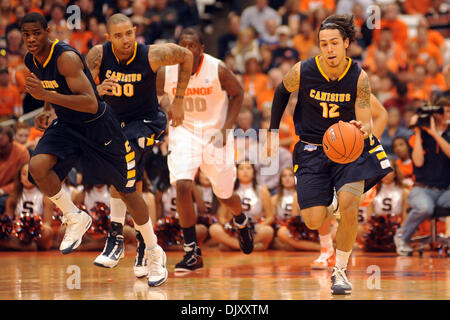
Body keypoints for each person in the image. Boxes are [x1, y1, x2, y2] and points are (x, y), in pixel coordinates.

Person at [20, 12, 166, 287]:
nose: (31, 39)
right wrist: (47, 111)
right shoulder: (31, 60)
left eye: (36, 33)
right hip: (67, 125)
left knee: (126, 190)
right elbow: (52, 90)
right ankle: (74, 217)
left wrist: (46, 96)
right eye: (26, 35)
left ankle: (154, 250)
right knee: (37, 167)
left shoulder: (66, 57)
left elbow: (90, 102)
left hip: (98, 126)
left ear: (47, 31)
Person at [268, 15, 393, 295]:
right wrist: (272, 131)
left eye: (334, 42)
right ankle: (333, 204)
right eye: (324, 44)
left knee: (351, 206)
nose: (329, 48)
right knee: (312, 219)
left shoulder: (359, 78)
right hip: (311, 148)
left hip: (347, 149)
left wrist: (363, 129)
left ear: (346, 43)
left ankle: (340, 270)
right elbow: (280, 92)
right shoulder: (304, 70)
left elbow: (368, 119)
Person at [85, 13, 193, 282]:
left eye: (129, 33)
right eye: (119, 36)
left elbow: (186, 55)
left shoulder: (153, 54)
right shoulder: (98, 55)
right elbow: (82, 88)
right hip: (115, 123)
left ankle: (116, 235)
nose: (125, 40)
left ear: (135, 31)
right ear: (109, 38)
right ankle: (147, 246)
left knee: (121, 162)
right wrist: (97, 90)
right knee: (130, 183)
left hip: (146, 122)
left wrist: (178, 100)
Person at [157, 27, 254, 272]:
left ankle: (240, 220)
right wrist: (168, 105)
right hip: (183, 131)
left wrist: (227, 128)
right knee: (182, 184)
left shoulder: (217, 68)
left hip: (215, 133)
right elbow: (159, 94)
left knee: (224, 195)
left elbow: (238, 93)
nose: (187, 50)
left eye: (192, 46)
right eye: (182, 45)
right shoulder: (166, 70)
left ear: (201, 49)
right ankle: (192, 252)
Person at [310, 93, 389, 270]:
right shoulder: (316, 86)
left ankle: (339, 258)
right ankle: (327, 251)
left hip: (353, 159)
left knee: (346, 208)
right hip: (327, 154)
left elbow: (382, 114)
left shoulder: (355, 85)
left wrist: (368, 147)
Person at [394, 99, 450, 256]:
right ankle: (401, 237)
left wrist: (435, 134)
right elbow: (418, 161)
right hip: (422, 188)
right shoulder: (419, 136)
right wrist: (419, 132)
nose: (445, 115)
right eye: (442, 111)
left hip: (446, 190)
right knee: (425, 208)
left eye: (448, 111)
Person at [209, 161, 275, 251]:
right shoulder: (229, 190)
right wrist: (228, 226)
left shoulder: (262, 191)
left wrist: (261, 225)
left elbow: (270, 216)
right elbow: (222, 217)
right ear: (236, 172)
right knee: (214, 229)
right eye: (241, 168)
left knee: (268, 231)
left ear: (253, 172)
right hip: (235, 229)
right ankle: (246, 247)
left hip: (255, 229)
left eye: (248, 168)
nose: (245, 171)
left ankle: (233, 246)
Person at [0, 163, 54, 251]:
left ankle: (20, 246)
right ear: (20, 177)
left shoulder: (45, 197)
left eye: (31, 174)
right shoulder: (12, 198)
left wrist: (38, 230)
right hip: (17, 233)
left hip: (38, 233)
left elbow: (47, 224)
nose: (27, 177)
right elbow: (8, 222)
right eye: (24, 174)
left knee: (47, 233)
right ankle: (29, 247)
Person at [273, 167, 321, 251]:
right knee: (281, 234)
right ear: (280, 180)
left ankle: (300, 246)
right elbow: (273, 220)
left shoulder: (304, 193)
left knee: (335, 231)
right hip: (288, 230)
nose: (287, 178)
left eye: (291, 175)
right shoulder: (274, 199)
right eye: (284, 176)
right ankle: (319, 247)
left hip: (307, 227)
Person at [0, 126, 30, 214]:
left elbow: (22, 180)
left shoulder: (22, 152)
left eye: (3, 147)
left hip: (13, 192)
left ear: (12, 141)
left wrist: (2, 191)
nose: (0, 150)